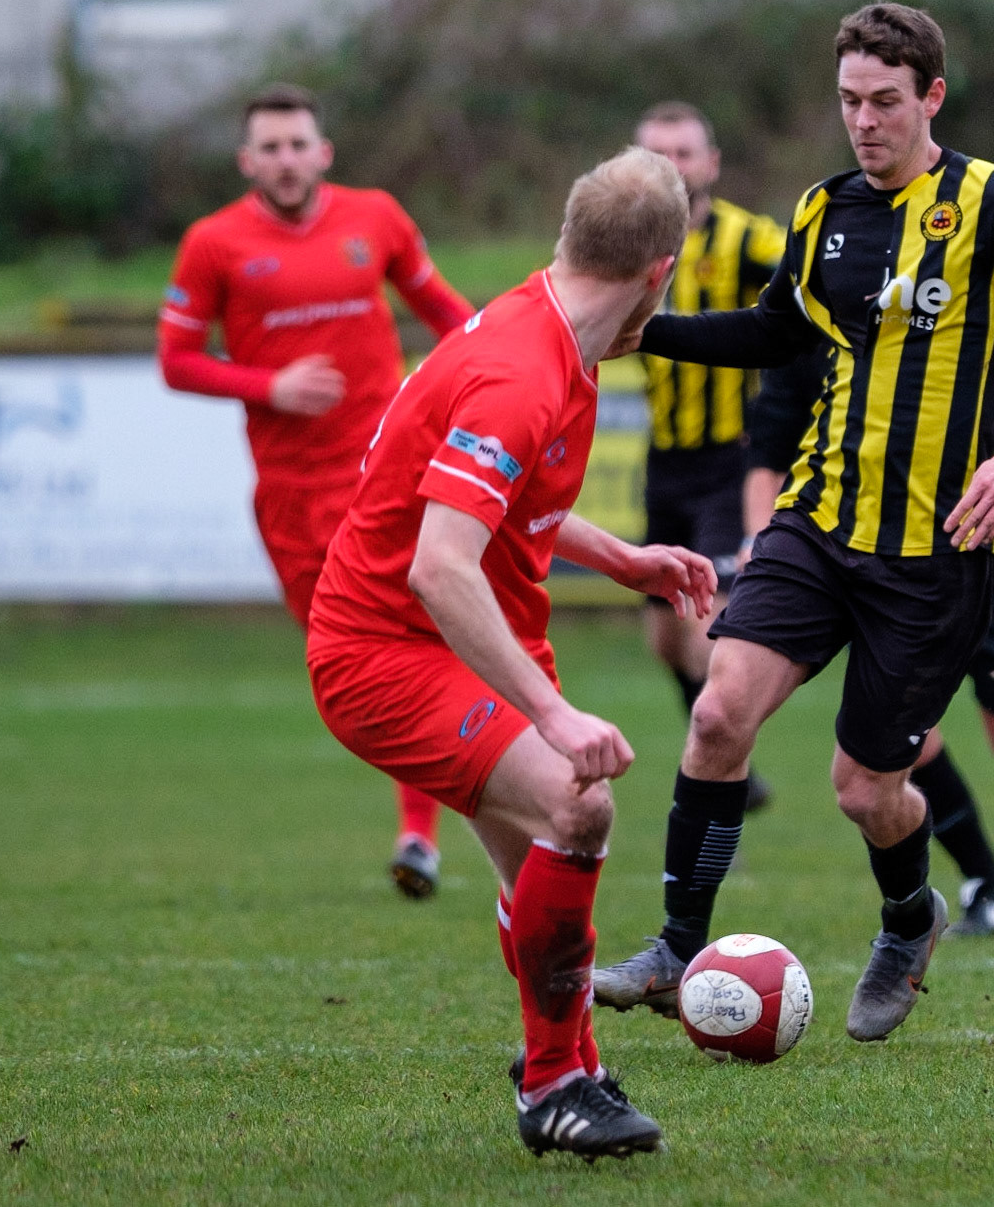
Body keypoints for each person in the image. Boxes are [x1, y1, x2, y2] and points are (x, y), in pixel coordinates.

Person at [593, 1, 994, 1042]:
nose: (864, 121)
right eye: (848, 101)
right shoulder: (825, 209)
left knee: (865, 790)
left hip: (936, 554)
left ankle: (909, 915)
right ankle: (675, 942)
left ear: (931, 96)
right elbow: (779, 327)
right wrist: (647, 333)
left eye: (884, 101)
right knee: (717, 712)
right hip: (820, 520)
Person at [306, 147, 714, 1158]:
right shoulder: (521, 373)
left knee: (541, 840)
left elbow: (507, 501)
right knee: (577, 801)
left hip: (431, 639)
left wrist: (621, 557)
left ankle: (568, 1064)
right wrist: (555, 711)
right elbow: (442, 565)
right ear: (660, 270)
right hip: (385, 653)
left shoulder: (540, 331)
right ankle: (554, 1082)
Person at [156, 82, 475, 900]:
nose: (286, 159)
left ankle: (423, 831)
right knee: (348, 663)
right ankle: (447, 798)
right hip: (291, 495)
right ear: (247, 160)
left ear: (323, 152)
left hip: (386, 472)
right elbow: (176, 359)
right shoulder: (214, 242)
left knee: (417, 633)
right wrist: (269, 385)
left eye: (298, 143)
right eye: (270, 146)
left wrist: (490, 374)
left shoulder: (376, 217)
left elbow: (447, 314)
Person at [744, 352, 994, 935]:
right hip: (875, 563)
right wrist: (761, 546)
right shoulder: (819, 325)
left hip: (983, 549)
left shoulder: (962, 312)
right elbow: (769, 458)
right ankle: (989, 883)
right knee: (900, 737)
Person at [632, 102, 788, 813]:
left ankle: (721, 761)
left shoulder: (750, 241)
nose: (671, 166)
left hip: (734, 458)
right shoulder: (621, 245)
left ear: (711, 164)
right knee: (665, 636)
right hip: (666, 460)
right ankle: (723, 748)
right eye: (655, 153)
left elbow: (816, 295)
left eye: (684, 152)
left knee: (704, 621)